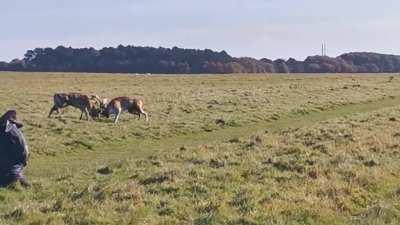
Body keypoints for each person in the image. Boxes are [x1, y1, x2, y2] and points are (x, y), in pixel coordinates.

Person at [0, 110, 30, 187]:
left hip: (16, 157)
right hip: (17, 155)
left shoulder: (6, 128)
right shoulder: (10, 126)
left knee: (5, 180)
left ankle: (19, 178)